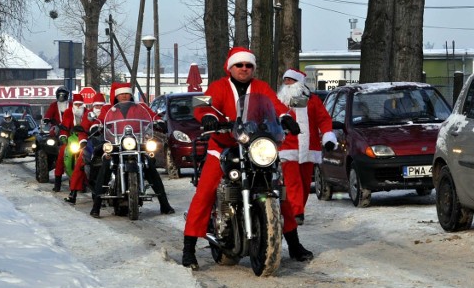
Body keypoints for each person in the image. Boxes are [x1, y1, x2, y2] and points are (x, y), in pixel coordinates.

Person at [181, 47, 306, 270]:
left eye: (248, 65)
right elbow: (200, 105)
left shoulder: (261, 87)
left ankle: (294, 245)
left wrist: (286, 118)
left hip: (254, 147)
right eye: (240, 65)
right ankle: (188, 249)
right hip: (223, 147)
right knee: (205, 192)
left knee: (279, 191)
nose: (244, 69)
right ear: (231, 67)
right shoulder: (218, 86)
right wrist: (209, 117)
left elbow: (276, 106)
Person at [89, 83, 175, 218]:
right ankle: (96, 206)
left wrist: (158, 121)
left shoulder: (140, 107)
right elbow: (100, 120)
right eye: (121, 94)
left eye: (126, 93)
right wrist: (96, 126)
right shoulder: (108, 109)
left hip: (137, 142)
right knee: (106, 166)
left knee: (150, 167)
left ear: (130, 94)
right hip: (116, 143)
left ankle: (164, 204)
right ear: (116, 95)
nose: (124, 96)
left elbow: (151, 116)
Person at [277, 69, 337, 235]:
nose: (287, 83)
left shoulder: (313, 101)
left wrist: (328, 136)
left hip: (309, 148)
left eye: (290, 80)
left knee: (304, 183)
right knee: (292, 181)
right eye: (285, 80)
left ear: (299, 82)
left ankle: (297, 211)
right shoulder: (279, 101)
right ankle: (296, 212)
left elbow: (324, 119)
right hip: (288, 147)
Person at [64, 92, 107, 204]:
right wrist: (83, 141)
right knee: (80, 165)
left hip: (108, 145)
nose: (99, 108)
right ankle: (73, 193)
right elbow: (83, 130)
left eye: (101, 106)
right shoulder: (89, 115)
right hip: (92, 145)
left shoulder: (109, 114)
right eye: (97, 106)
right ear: (93, 106)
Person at [52, 93, 86, 192]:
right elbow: (65, 125)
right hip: (71, 138)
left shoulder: (87, 113)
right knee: (62, 154)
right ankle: (57, 182)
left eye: (80, 104)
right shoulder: (68, 112)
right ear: (73, 104)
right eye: (76, 104)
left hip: (84, 139)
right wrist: (63, 137)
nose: (78, 106)